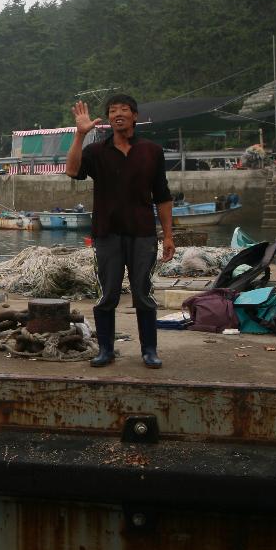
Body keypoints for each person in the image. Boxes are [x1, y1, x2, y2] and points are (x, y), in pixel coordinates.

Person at [66, 94, 176, 369]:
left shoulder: (152, 151)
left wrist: (169, 236)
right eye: (113, 110)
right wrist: (80, 135)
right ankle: (106, 350)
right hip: (107, 233)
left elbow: (162, 196)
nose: (118, 114)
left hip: (143, 233)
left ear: (135, 116)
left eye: (124, 110)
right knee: (108, 294)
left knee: (143, 292)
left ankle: (149, 351)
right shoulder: (96, 152)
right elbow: (71, 170)